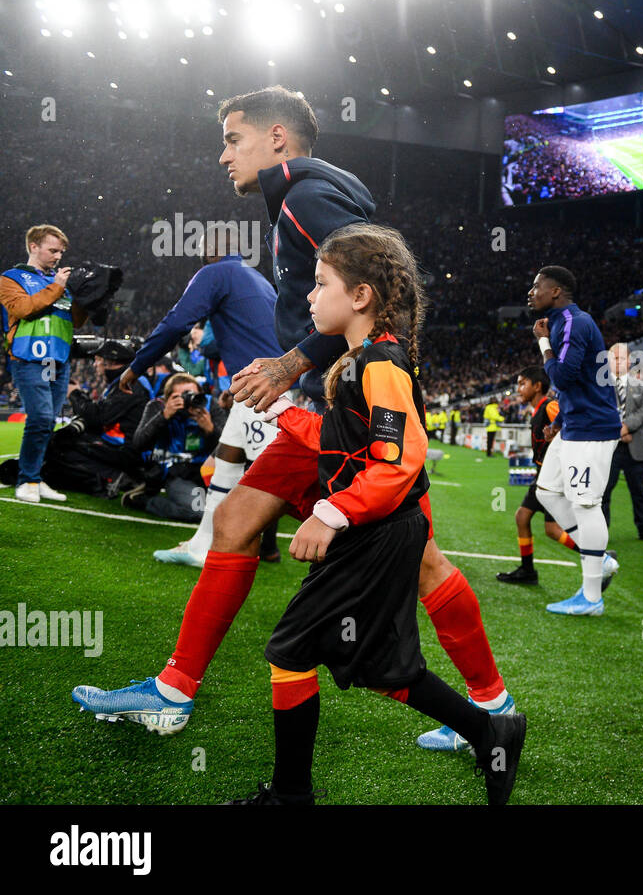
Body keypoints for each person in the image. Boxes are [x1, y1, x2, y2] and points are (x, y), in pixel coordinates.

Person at [73, 86, 515, 740]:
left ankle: (490, 706)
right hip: (327, 409)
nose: (223, 155)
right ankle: (174, 689)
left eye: (232, 139)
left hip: (350, 414)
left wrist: (290, 364)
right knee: (236, 519)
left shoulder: (306, 199)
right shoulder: (301, 199)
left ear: (277, 137)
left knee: (422, 562)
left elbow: (371, 296)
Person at [224, 224, 525, 805]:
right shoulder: (360, 361)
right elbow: (346, 446)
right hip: (378, 532)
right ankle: (491, 731)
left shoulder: (379, 363)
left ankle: (291, 797)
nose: (308, 297)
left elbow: (399, 463)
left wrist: (329, 514)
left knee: (290, 652)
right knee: (381, 666)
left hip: (376, 533)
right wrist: (283, 411)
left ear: (360, 296)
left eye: (320, 284)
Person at [118, 229, 281, 567]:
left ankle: (326, 539)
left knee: (273, 473)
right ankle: (203, 545)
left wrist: (137, 366)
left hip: (263, 388)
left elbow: (176, 322)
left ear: (212, 250)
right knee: (225, 467)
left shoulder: (215, 273)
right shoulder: (257, 278)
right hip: (260, 385)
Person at [528, 265, 623, 615]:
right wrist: (561, 421)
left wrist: (543, 345)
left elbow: (565, 376)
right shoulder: (564, 322)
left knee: (586, 504)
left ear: (556, 291)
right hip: (574, 426)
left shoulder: (573, 321)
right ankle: (601, 559)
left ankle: (592, 597)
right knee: (547, 491)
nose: (531, 291)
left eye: (537, 285)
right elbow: (579, 382)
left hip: (592, 429)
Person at [495, 366, 618, 588]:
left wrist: (558, 436)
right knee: (548, 528)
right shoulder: (538, 409)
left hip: (551, 477)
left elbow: (570, 423)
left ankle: (596, 558)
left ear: (537, 386)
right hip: (545, 474)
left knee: (523, 517)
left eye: (523, 384)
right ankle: (598, 557)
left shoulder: (550, 406)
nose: (518, 389)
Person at [1, 225, 88, 503]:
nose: (58, 256)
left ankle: (36, 478)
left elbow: (76, 321)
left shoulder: (59, 282)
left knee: (48, 421)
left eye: (61, 251)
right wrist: (58, 286)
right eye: (53, 250)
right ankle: (26, 480)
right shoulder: (10, 278)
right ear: (33, 247)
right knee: (39, 417)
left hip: (58, 358)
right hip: (29, 357)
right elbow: (23, 309)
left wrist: (87, 298)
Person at [35, 339, 152, 497]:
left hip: (125, 449)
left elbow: (97, 417)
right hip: (121, 445)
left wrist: (74, 393)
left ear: (110, 362)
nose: (94, 365)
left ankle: (112, 478)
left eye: (97, 361)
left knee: (59, 450)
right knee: (59, 442)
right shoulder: (125, 381)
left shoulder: (130, 385)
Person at [127, 372, 224, 521]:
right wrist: (164, 415)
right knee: (198, 512)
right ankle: (143, 500)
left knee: (233, 510)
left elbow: (228, 448)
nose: (190, 399)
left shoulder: (210, 406)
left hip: (205, 472)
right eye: (183, 395)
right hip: (174, 472)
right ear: (169, 397)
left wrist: (210, 429)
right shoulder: (158, 405)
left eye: (194, 394)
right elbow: (139, 443)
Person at [601, 342, 643, 543]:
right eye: (614, 358)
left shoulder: (641, 386)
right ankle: (600, 532)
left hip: (634, 447)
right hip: (607, 449)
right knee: (603, 493)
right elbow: (598, 414)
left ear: (629, 360)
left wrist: (625, 427)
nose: (618, 362)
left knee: (640, 492)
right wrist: (618, 432)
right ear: (608, 361)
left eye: (621, 358)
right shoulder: (599, 387)